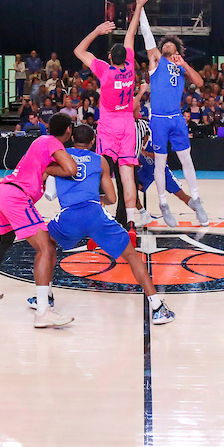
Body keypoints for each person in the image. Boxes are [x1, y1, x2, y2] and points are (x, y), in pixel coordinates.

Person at [45, 125, 175, 324]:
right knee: (132, 256)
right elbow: (112, 198)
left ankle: (45, 297)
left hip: (68, 215)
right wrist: (96, 198)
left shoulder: (59, 156)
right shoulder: (100, 160)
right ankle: (157, 307)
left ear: (72, 139)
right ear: (93, 142)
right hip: (94, 213)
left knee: (46, 248)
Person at [0, 114, 78, 329]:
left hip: (2, 192)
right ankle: (43, 311)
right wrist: (49, 170)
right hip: (17, 197)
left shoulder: (40, 142)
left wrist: (47, 169)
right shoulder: (52, 142)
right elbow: (72, 169)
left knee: (5, 241)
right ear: (69, 130)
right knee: (46, 247)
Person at [73, 0, 149, 232]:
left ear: (108, 57)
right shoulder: (130, 67)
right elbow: (131, 33)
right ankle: (131, 224)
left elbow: (78, 51)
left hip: (108, 127)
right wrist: (138, 5)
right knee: (127, 177)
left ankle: (99, 219)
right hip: (127, 126)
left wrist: (97, 31)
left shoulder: (104, 71)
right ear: (125, 57)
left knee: (101, 174)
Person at [140, 2, 208, 226]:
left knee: (186, 159)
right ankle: (163, 204)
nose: (167, 45)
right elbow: (147, 36)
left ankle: (196, 200)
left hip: (177, 118)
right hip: (159, 119)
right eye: (165, 44)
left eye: (171, 44)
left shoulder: (180, 68)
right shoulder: (156, 62)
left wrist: (185, 64)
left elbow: (200, 82)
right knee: (160, 163)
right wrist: (140, 7)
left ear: (177, 51)